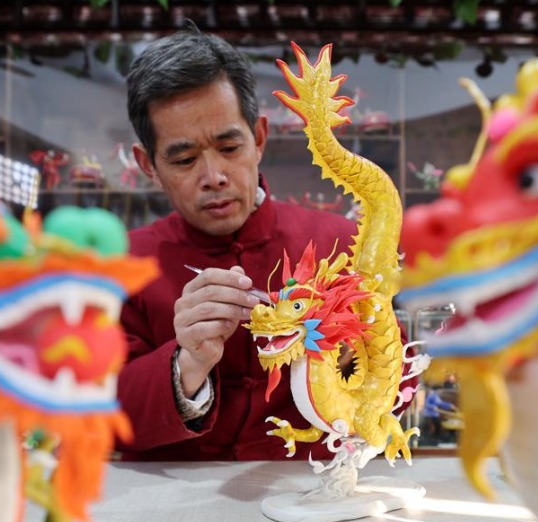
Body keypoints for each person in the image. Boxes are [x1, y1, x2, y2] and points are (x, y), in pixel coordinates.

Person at [116, 29, 360, 461]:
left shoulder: (337, 242)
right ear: (147, 165)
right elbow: (98, 413)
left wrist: (350, 360)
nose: (214, 175)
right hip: (170, 509)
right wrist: (185, 364)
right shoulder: (122, 265)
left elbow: (398, 385)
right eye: (184, 159)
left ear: (259, 139)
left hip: (314, 498)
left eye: (230, 147)